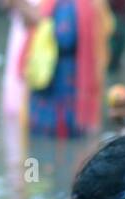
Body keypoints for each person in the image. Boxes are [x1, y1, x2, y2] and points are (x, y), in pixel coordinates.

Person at [13, 0, 111, 138]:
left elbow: (66, 37)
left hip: (70, 78)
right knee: (41, 137)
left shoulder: (87, 4)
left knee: (65, 134)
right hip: (45, 75)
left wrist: (42, 24)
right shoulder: (48, 3)